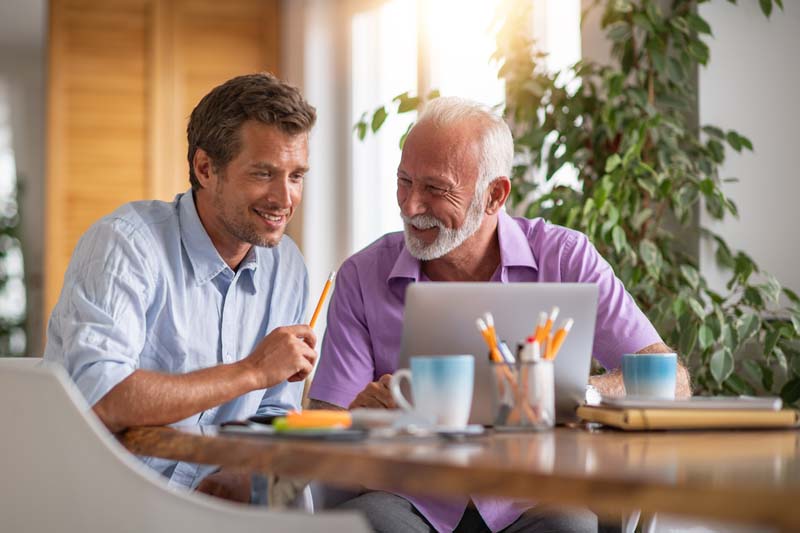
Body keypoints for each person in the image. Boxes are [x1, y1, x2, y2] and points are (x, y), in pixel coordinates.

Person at [308, 97, 691, 532]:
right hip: (407, 499)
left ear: (495, 195)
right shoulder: (363, 274)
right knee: (358, 525)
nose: (411, 206)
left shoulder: (565, 258)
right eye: (404, 181)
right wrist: (357, 417)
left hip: (537, 499)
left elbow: (673, 383)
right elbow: (325, 428)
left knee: (572, 529)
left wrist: (570, 393)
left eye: (435, 189)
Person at [44, 73, 318, 501]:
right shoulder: (126, 245)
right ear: (205, 168)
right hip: (116, 501)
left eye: (296, 176)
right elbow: (103, 399)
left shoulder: (288, 267)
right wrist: (250, 371)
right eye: (264, 173)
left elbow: (274, 410)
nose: (285, 198)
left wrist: (240, 475)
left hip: (222, 506)